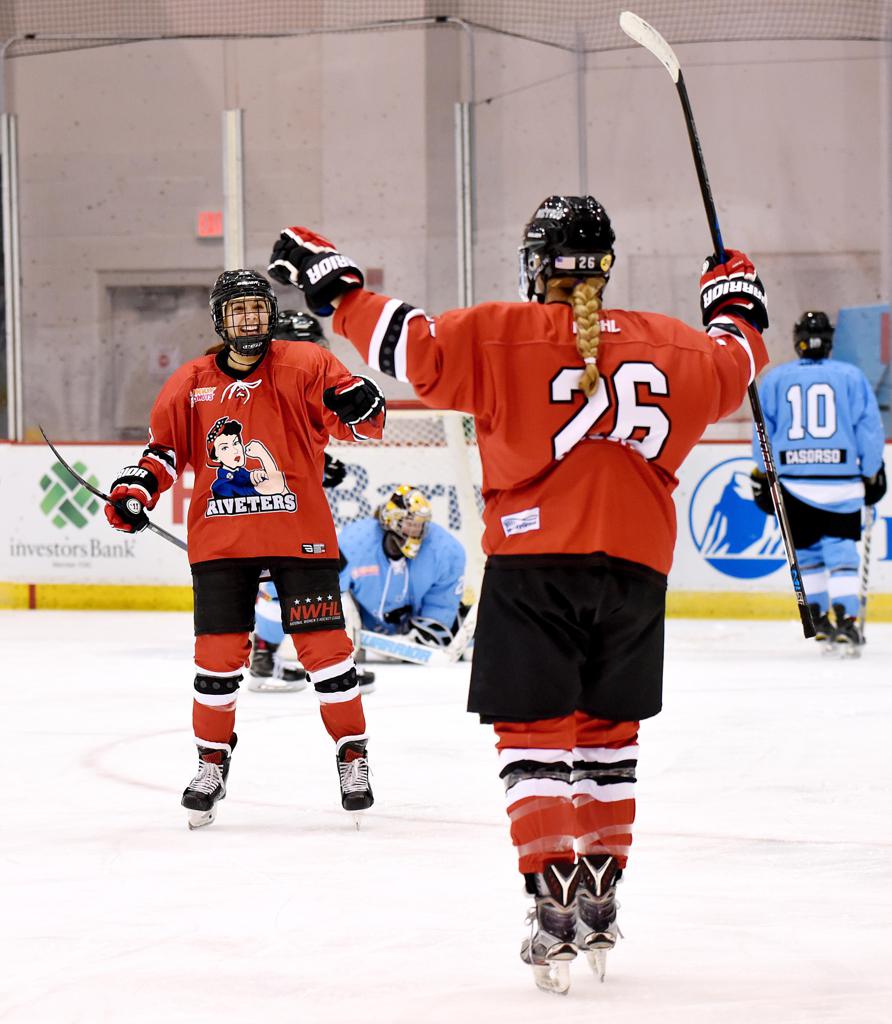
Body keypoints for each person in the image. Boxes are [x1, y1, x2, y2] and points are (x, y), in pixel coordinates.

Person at [267, 199, 769, 992]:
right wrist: (734, 300)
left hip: (536, 559)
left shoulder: (505, 331)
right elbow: (738, 359)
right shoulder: (676, 345)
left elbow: (406, 345)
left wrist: (333, 283)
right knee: (607, 735)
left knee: (532, 735)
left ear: (537, 264)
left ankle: (552, 889)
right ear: (607, 263)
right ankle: (602, 887)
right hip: (637, 567)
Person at [104, 268, 386, 828]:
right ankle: (211, 763)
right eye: (238, 311)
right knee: (215, 664)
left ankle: (352, 754)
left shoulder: (306, 364)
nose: (249, 320)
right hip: (223, 543)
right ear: (220, 320)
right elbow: (164, 452)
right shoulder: (190, 381)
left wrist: (364, 406)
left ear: (270, 314)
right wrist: (136, 490)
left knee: (328, 654)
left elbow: (362, 425)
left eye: (258, 309)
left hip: (298, 537)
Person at [750, 311, 886, 653]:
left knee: (807, 554)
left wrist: (764, 474)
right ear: (830, 341)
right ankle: (846, 621)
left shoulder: (775, 379)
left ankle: (819, 620)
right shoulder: (851, 377)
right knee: (841, 555)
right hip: (841, 484)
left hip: (793, 485)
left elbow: (762, 434)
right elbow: (868, 431)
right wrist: (871, 471)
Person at [246, 308, 350, 692]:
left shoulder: (296, 386)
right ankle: (263, 653)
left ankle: (284, 653)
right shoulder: (267, 386)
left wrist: (325, 466)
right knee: (282, 579)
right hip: (266, 506)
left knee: (323, 571)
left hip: (287, 503)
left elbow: (295, 447)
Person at [339, 484, 468, 667]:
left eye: (420, 525)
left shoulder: (446, 551)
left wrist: (427, 630)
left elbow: (441, 603)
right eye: (411, 524)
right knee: (341, 604)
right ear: (392, 520)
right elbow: (332, 586)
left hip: (416, 627)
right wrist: (344, 617)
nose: (417, 530)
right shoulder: (354, 542)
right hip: (363, 625)